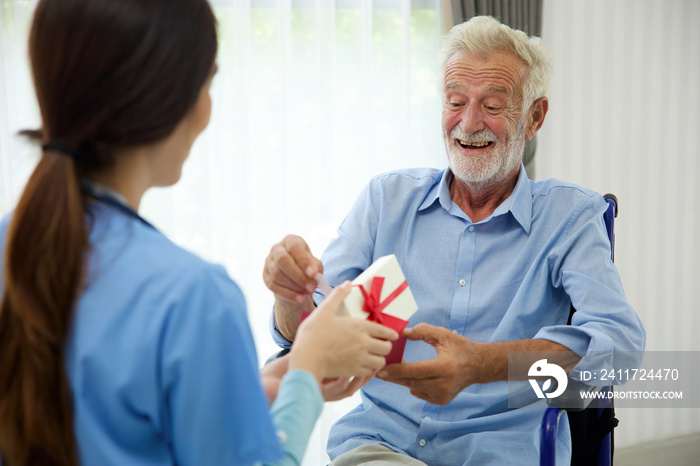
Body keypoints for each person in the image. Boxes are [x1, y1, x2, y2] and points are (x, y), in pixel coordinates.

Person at [0, 1, 400, 465]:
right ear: (174, 99)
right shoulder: (193, 298)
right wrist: (306, 374)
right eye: (208, 81)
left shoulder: (17, 242)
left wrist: (271, 387)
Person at [263, 16, 646, 465]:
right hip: (381, 448)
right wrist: (289, 297)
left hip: (502, 453)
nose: (468, 123)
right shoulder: (387, 200)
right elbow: (309, 335)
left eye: (493, 105)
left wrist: (483, 364)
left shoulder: (570, 217)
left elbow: (619, 345)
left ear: (534, 117)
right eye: (455, 101)